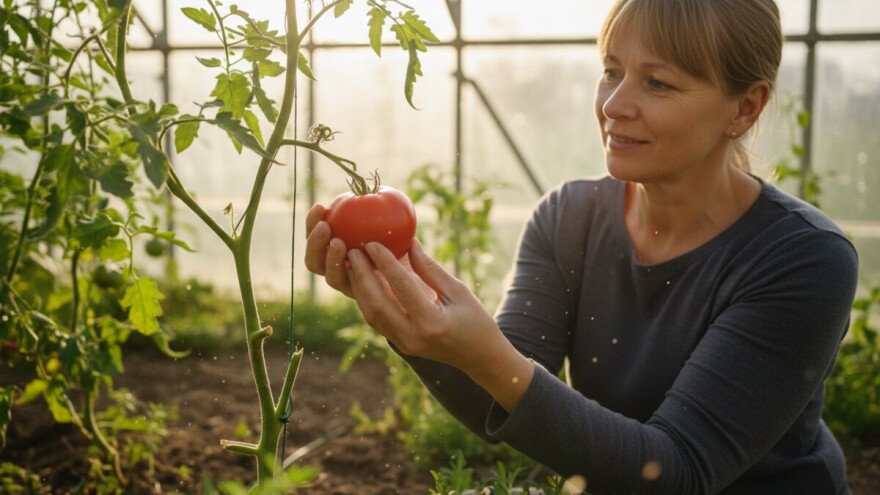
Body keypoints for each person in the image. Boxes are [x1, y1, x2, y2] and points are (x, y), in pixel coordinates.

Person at [304, 0, 859, 493]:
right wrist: (405, 315)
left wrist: (487, 357)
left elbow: (680, 471)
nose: (615, 104)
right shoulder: (569, 217)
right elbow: (501, 396)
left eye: (658, 83)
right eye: (611, 72)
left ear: (745, 108)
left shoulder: (803, 259)